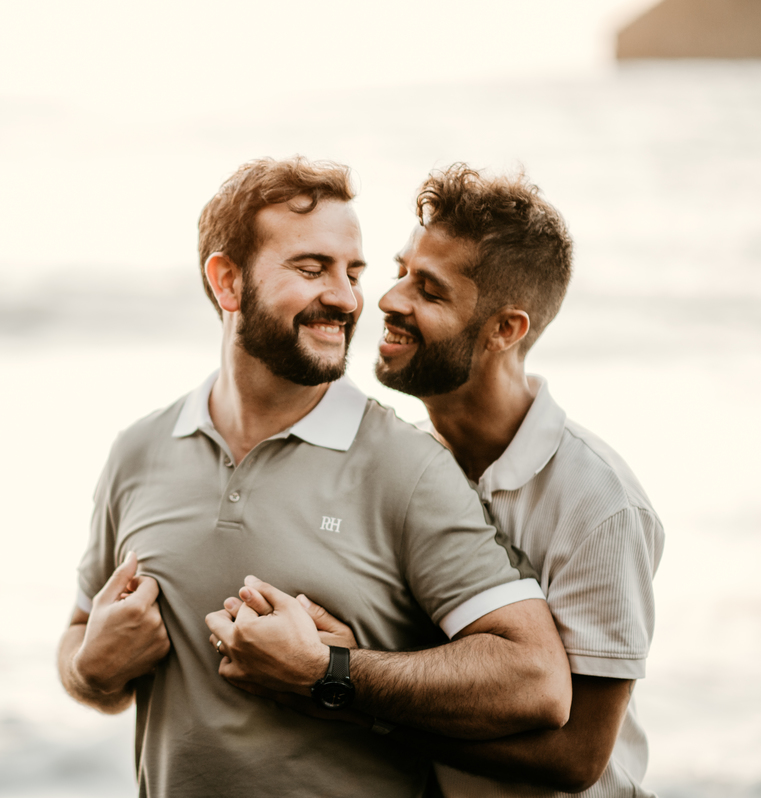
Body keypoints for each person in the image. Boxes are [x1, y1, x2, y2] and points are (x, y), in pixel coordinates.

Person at [57, 156, 572, 798]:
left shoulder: (405, 466)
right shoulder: (138, 450)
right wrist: (91, 670)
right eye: (312, 268)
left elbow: (536, 680)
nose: (347, 298)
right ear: (227, 282)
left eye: (352, 272)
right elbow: (80, 642)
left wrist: (330, 672)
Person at [210, 164, 665, 797]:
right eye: (399, 272)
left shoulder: (597, 502)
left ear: (505, 329)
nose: (390, 300)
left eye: (429, 288)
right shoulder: (403, 462)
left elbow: (577, 757)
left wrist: (339, 689)